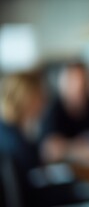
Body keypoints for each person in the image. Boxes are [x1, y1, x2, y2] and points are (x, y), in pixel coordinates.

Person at [0, 71, 45, 206]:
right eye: (39, 96)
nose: (43, 102)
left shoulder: (7, 129)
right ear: (26, 98)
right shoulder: (15, 141)